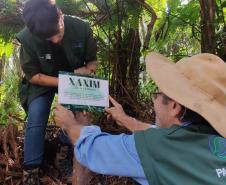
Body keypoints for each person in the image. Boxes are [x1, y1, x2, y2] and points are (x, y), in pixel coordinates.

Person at [54, 52, 226, 185]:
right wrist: (127, 120)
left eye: (157, 94)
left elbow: (94, 148)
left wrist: (69, 124)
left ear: (174, 106)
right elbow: (171, 139)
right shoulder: (215, 137)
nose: (154, 100)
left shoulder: (155, 149)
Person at [16, 0, 97, 184]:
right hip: (42, 81)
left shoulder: (81, 28)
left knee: (78, 115)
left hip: (74, 80)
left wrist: (87, 71)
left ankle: (62, 154)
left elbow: (92, 62)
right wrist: (64, 80)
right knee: (37, 116)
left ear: (60, 14)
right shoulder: (29, 36)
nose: (55, 40)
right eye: (49, 39)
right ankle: (31, 170)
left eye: (57, 33)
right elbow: (33, 75)